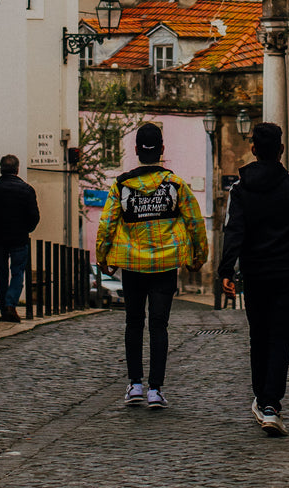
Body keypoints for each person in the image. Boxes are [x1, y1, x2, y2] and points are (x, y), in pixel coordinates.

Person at [96, 122, 208, 409]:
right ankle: (155, 389)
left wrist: (103, 256)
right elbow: (195, 222)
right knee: (159, 326)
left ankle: (134, 384)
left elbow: (107, 223)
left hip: (132, 266)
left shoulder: (121, 185)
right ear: (162, 150)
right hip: (165, 265)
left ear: (135, 151)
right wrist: (199, 256)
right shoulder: (176, 185)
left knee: (133, 323)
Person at [219, 121, 289, 437]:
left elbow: (234, 230)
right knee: (281, 337)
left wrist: (225, 269)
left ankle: (262, 399)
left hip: (255, 273)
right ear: (281, 150)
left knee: (258, 336)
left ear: (253, 149)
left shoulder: (240, 190)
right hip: (286, 272)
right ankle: (272, 404)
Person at [0, 153, 40, 322]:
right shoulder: (27, 190)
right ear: (17, 169)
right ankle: (11, 304)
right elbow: (34, 217)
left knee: (1, 274)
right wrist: (25, 229)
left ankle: (4, 309)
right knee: (18, 273)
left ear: (1, 169)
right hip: (19, 238)